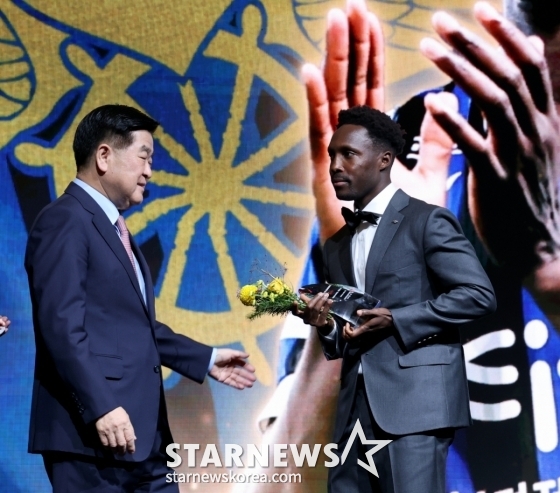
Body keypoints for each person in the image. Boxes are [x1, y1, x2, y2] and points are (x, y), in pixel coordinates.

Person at [24, 104, 256, 492]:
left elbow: (132, 326)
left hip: (144, 438)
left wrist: (205, 358)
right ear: (104, 156)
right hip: (92, 439)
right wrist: (100, 406)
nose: (150, 171)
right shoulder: (65, 219)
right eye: (144, 157)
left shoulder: (113, 228)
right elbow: (60, 327)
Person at [290, 105, 496, 493]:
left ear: (384, 160)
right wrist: (325, 326)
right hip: (353, 410)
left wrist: (397, 319)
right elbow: (345, 334)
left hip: (415, 406)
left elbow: (478, 295)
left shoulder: (427, 220)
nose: (335, 166)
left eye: (348, 154)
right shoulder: (336, 244)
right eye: (332, 155)